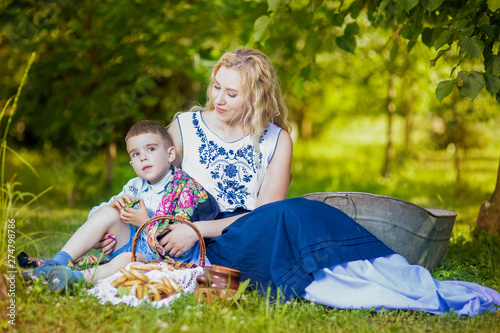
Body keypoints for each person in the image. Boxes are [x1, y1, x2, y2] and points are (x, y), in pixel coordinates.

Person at [99, 48, 500, 316]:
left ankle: (378, 272)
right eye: (216, 87)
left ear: (255, 97)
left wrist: (196, 230)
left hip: (247, 229)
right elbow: (150, 184)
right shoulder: (185, 128)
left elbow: (265, 212)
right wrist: (118, 222)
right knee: (294, 214)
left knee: (298, 210)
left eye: (231, 93)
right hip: (210, 247)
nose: (218, 99)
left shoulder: (278, 140)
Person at [25, 120, 218, 291]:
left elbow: (179, 248)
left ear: (170, 154)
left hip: (164, 262)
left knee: (127, 261)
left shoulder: (185, 190)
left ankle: (75, 278)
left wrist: (145, 222)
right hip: (135, 245)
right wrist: (112, 209)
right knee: (108, 212)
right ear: (131, 163)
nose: (143, 157)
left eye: (151, 149)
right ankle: (57, 262)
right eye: (136, 153)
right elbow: (96, 217)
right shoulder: (134, 186)